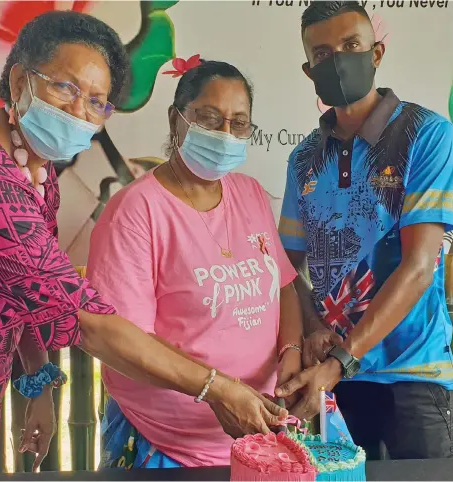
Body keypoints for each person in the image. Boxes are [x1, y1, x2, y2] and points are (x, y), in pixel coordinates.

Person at [0, 12, 287, 476]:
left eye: (96, 102)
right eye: (65, 88)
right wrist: (218, 388)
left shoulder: (31, 159)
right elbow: (87, 322)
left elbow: (26, 290)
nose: (79, 112)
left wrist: (38, 380)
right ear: (19, 78)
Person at [87, 59, 304, 469]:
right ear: (176, 119)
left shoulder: (250, 194)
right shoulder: (135, 212)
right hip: (166, 449)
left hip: (259, 441)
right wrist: (214, 389)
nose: (225, 134)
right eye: (209, 118)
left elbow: (284, 286)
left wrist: (290, 353)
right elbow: (121, 341)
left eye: (239, 123)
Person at [275, 1, 453, 460]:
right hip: (336, 386)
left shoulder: (426, 134)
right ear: (308, 69)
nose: (338, 60)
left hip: (413, 377)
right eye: (322, 54)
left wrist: (339, 362)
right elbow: (285, 266)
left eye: (351, 46)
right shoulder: (304, 158)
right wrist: (312, 327)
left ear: (375, 54)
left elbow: (418, 267)